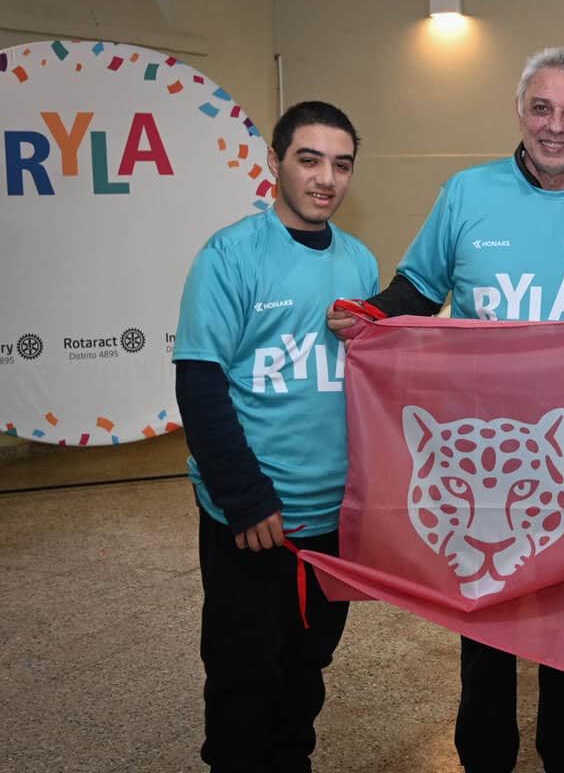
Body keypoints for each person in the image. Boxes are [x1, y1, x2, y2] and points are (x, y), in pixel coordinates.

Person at [327, 47, 564, 773]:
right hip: (478, 456)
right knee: (487, 625)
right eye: (542, 108)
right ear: (520, 110)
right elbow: (416, 288)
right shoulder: (467, 194)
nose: (555, 126)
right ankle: (484, 757)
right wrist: (368, 316)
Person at [174, 101, 379, 772]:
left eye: (341, 164)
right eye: (309, 159)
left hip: (331, 518)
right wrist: (246, 497)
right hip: (253, 517)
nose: (326, 178)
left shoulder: (361, 264)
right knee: (242, 672)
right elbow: (200, 387)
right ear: (274, 163)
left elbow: (377, 388)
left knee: (306, 669)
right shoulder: (229, 255)